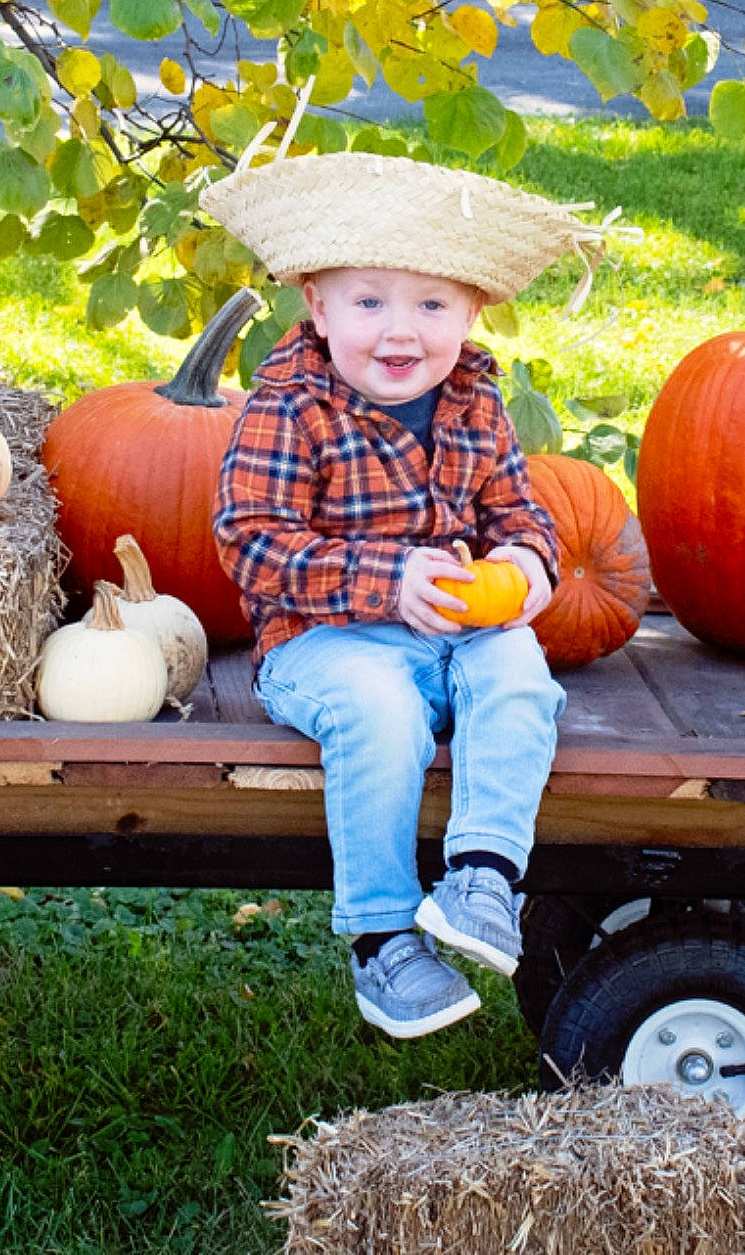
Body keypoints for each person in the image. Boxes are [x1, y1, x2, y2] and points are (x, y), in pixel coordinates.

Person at [202, 147, 610, 1038]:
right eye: (369, 300)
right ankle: (383, 938)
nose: (400, 331)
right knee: (380, 713)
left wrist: (532, 566)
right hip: (324, 642)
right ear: (316, 303)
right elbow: (252, 543)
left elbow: (518, 512)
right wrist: (387, 580)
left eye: (431, 304)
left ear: (472, 311)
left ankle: (482, 878)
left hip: (457, 627)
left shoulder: (474, 402)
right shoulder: (291, 407)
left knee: (519, 676)